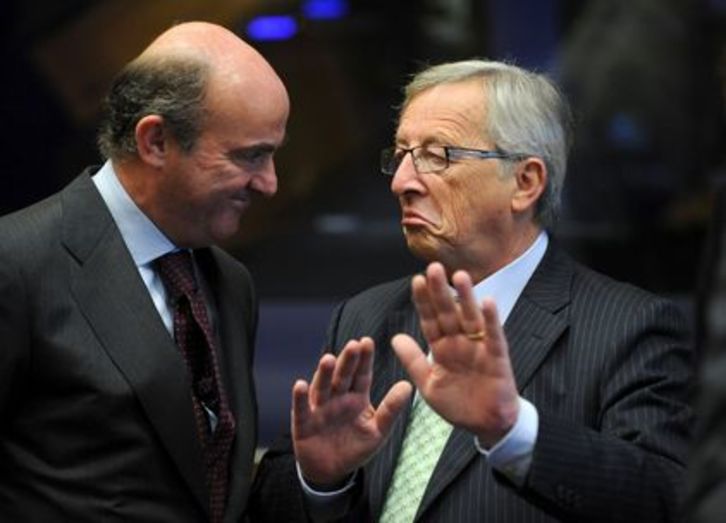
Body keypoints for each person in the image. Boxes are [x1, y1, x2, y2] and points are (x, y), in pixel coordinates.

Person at [249, 60, 693, 522]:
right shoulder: (366, 317)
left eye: (437, 155)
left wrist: (512, 429)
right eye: (400, 154)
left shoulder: (629, 327)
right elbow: (269, 506)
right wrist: (322, 481)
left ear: (525, 182)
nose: (402, 182)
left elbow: (666, 500)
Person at [0, 21, 289, 522]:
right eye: (250, 156)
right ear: (155, 141)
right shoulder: (17, 263)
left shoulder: (229, 282)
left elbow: (214, 490)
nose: (269, 183)